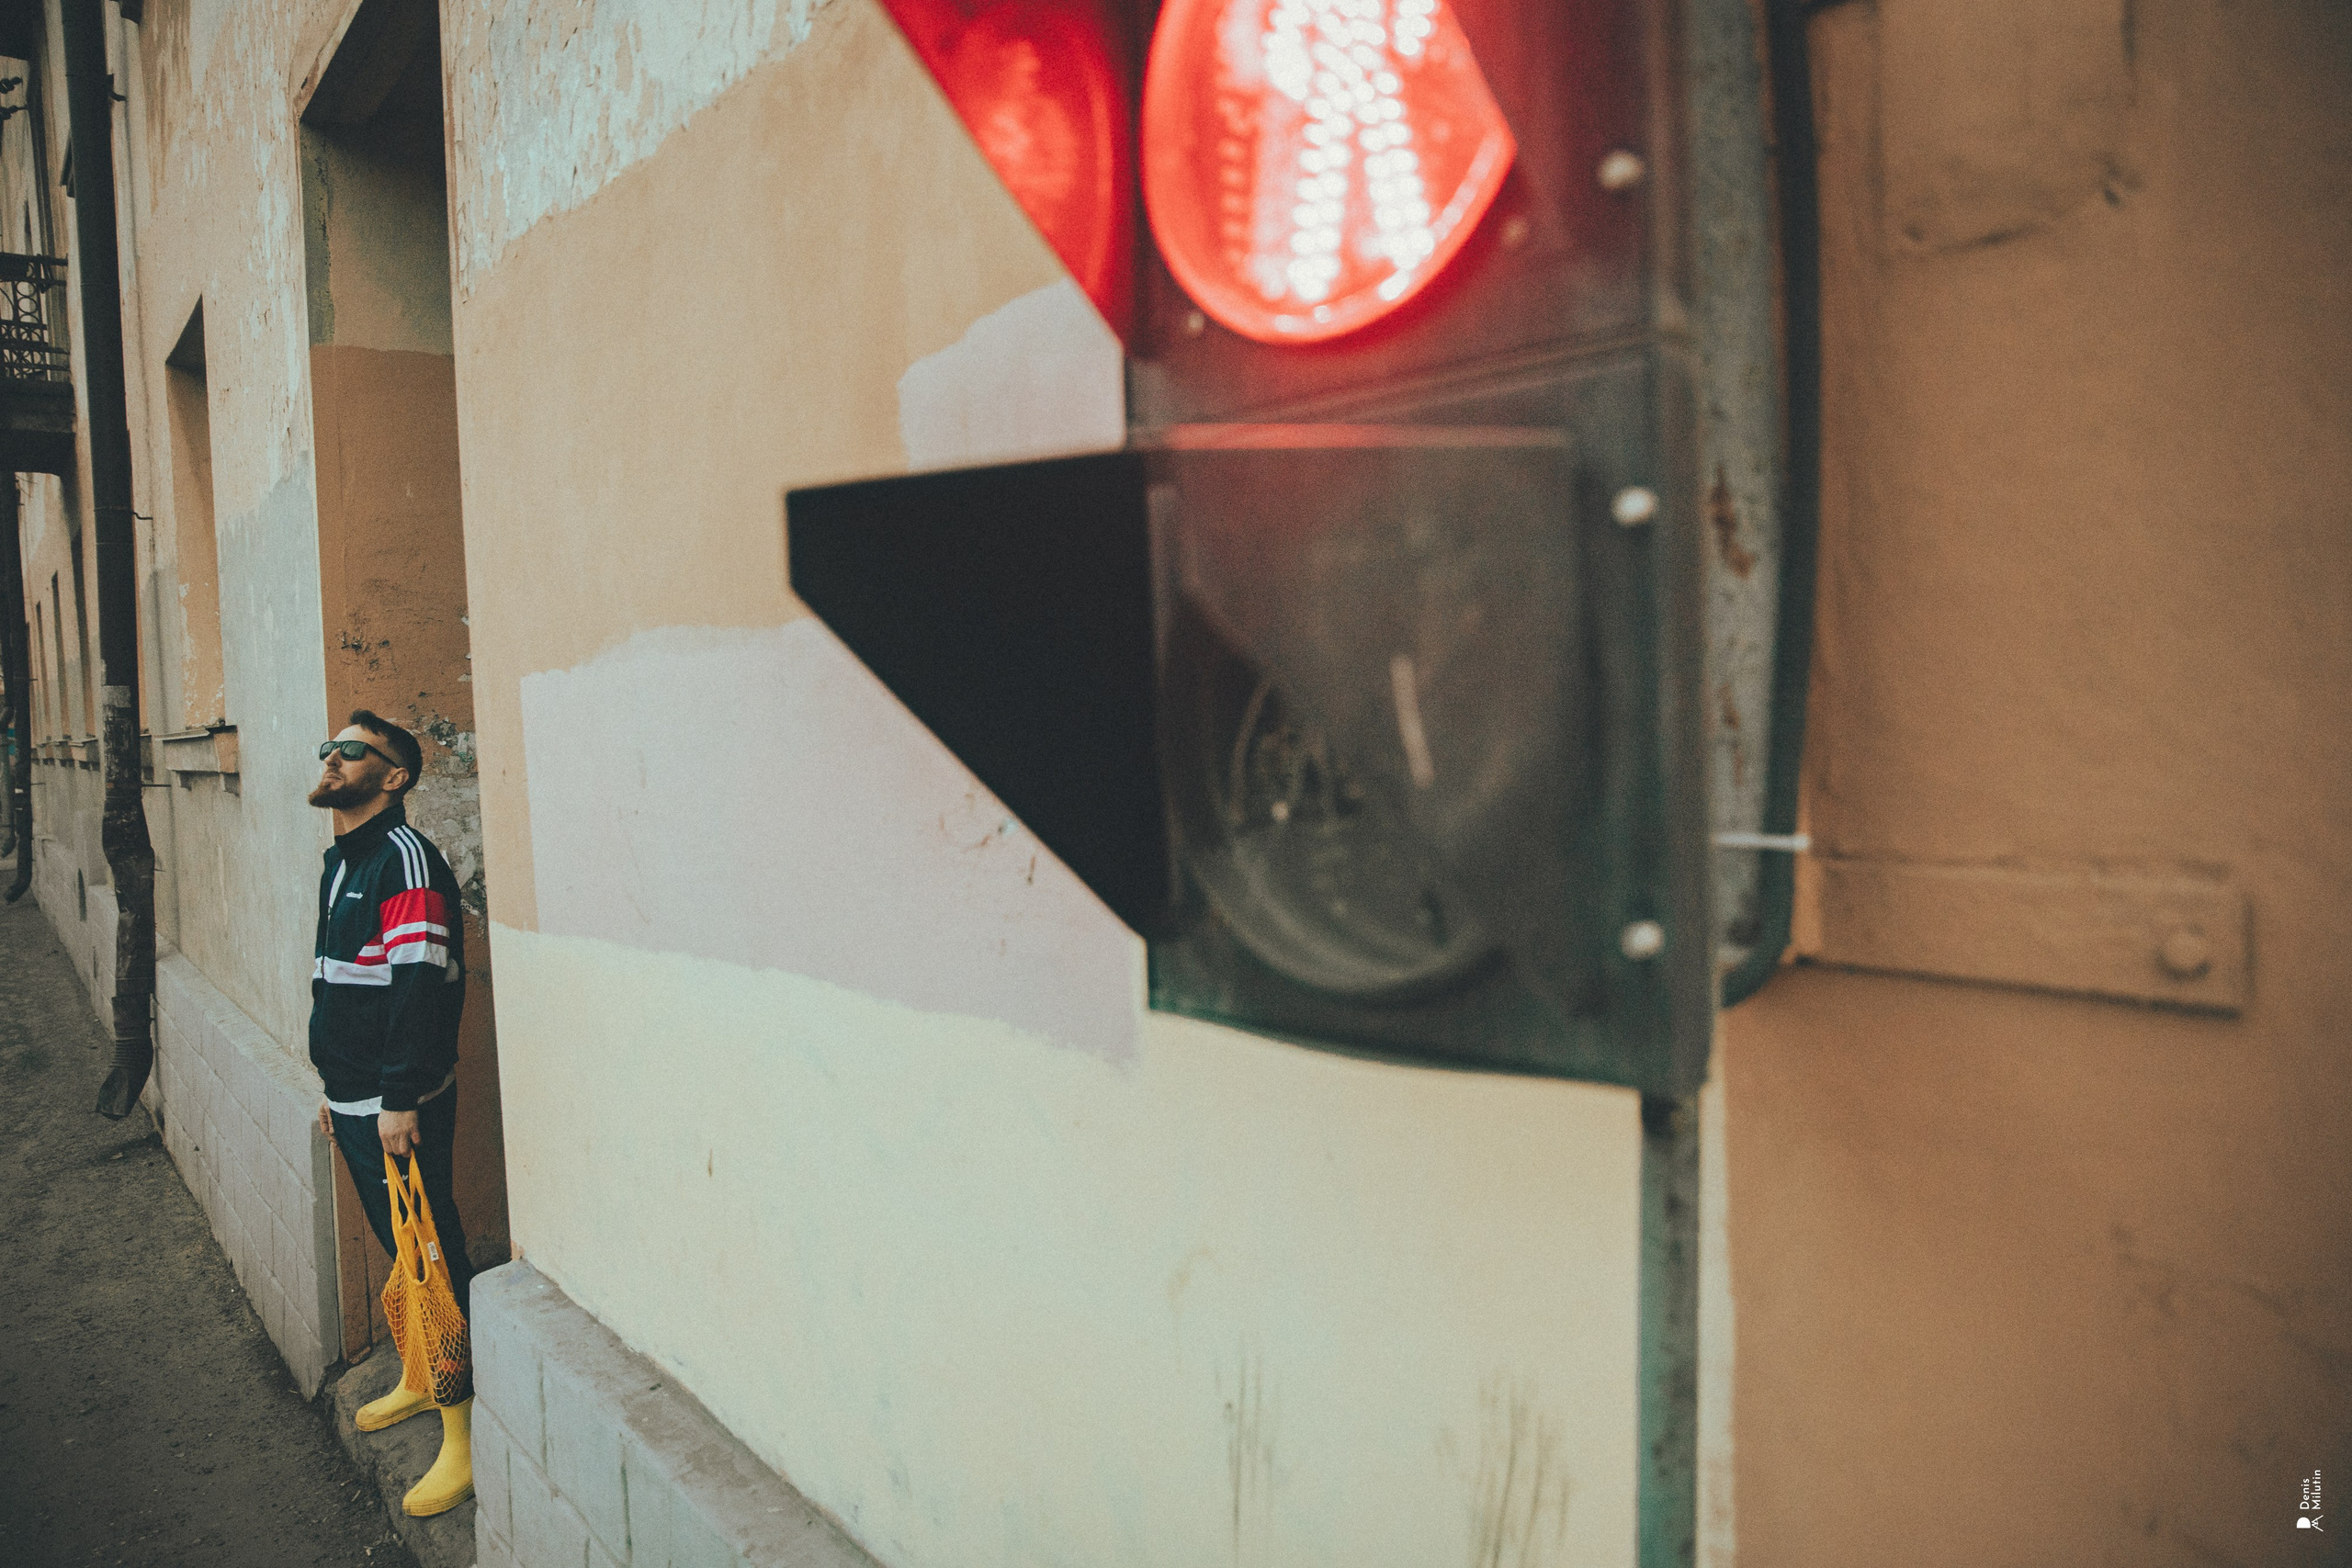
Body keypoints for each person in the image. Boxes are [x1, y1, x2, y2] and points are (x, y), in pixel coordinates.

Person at [308, 710, 474, 1517]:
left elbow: (416, 985)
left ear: (394, 776)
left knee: (429, 1256)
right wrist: (336, 1082)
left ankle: (463, 1435)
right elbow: (340, 982)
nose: (331, 760)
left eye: (350, 751)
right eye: (328, 749)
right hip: (354, 1095)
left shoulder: (406, 861)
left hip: (394, 1101)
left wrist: (399, 1095)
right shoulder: (342, 862)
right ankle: (419, 1375)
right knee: (399, 1248)